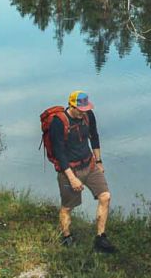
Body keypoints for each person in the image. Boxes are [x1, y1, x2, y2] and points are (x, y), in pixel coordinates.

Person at [47, 90, 115, 252]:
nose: (84, 112)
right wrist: (72, 178)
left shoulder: (88, 115)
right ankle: (66, 236)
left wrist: (99, 161)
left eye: (86, 109)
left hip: (90, 165)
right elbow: (59, 153)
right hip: (69, 170)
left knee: (105, 196)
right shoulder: (58, 122)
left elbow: (94, 136)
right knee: (68, 207)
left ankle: (100, 238)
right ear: (72, 106)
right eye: (81, 109)